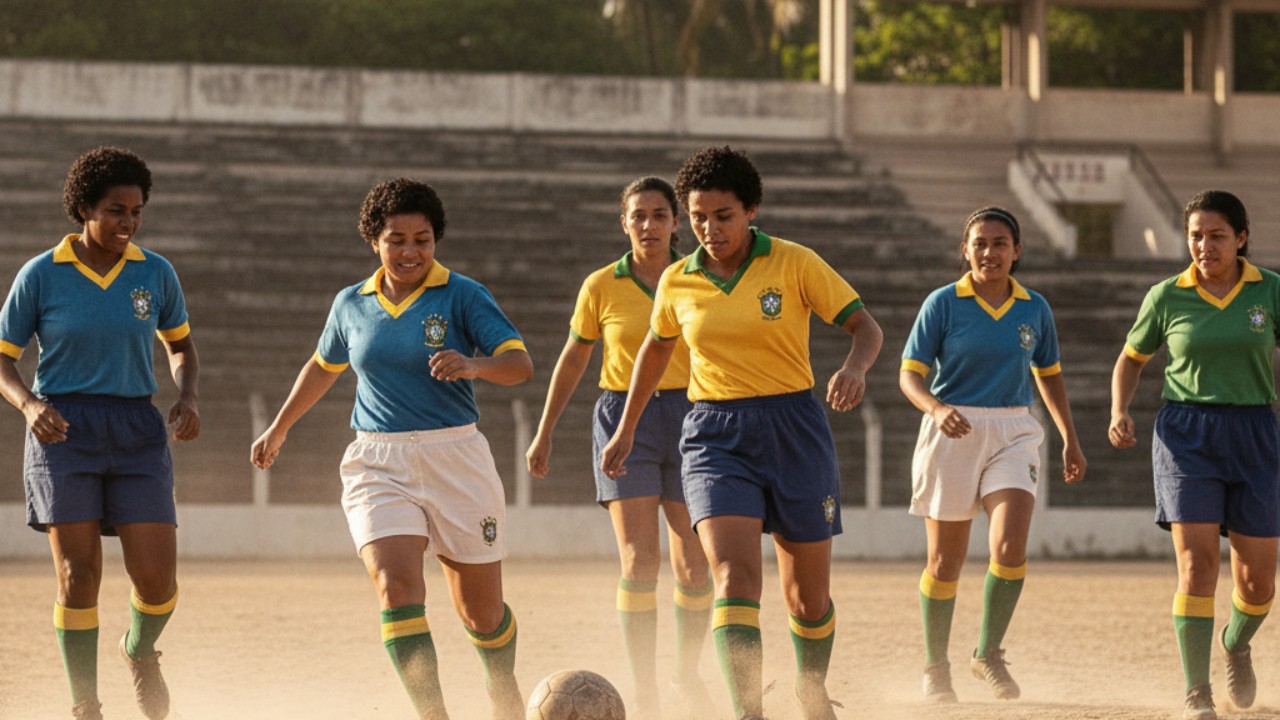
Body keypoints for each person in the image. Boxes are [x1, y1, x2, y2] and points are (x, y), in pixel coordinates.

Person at [600, 146, 884, 720]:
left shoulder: (796, 262)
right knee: (733, 578)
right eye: (698, 217)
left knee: (807, 598)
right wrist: (625, 428)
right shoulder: (678, 280)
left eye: (723, 216)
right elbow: (655, 350)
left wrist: (855, 368)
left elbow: (865, 327)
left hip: (794, 428)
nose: (709, 229)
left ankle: (810, 687)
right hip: (714, 436)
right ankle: (748, 712)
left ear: (751, 210)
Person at [250, 178, 533, 720]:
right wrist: (279, 427)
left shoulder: (464, 295)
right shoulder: (350, 303)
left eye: (422, 240)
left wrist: (475, 365)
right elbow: (323, 367)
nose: (410, 252)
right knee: (396, 587)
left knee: (481, 613)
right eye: (396, 240)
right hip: (377, 463)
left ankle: (503, 689)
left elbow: (519, 365)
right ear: (374, 241)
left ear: (436, 241)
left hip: (456, 458)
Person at [0, 146, 201, 720]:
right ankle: (85, 704)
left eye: (136, 211)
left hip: (137, 428)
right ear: (84, 208)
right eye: (116, 210)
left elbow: (181, 347)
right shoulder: (41, 274)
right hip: (63, 430)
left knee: (157, 581)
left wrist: (187, 395)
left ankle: (138, 649)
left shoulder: (155, 273)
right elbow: (3, 358)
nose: (128, 222)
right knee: (78, 574)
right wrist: (28, 405)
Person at [525, 177, 714, 719]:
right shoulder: (601, 285)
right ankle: (645, 687)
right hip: (623, 419)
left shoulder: (700, 276)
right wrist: (545, 430)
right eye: (638, 216)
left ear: (676, 223)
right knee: (639, 559)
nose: (649, 225)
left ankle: (686, 671)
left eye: (659, 215)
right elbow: (573, 359)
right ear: (623, 223)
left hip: (694, 416)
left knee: (694, 564)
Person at [899, 206, 1086, 704]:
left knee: (1009, 546)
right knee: (945, 561)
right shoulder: (942, 303)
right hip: (952, 428)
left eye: (1000, 243)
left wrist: (1069, 437)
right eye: (979, 243)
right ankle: (936, 667)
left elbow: (1049, 376)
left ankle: (987, 653)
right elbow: (909, 376)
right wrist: (937, 409)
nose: (989, 252)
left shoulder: (1034, 308)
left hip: (1013, 430)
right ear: (965, 250)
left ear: (1016, 250)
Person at [1109, 190, 1278, 720]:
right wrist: (1119, 410)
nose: (1205, 246)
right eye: (1196, 236)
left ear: (1241, 238)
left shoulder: (1270, 290)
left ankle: (1235, 642)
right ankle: (1197, 691)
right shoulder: (1166, 296)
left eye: (1217, 235)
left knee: (1258, 581)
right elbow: (1130, 359)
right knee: (1197, 564)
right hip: (1187, 435)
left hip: (1255, 432)